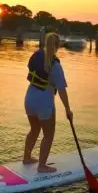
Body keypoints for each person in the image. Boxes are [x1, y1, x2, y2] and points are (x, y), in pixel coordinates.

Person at [23, 31, 73, 172]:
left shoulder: (37, 55)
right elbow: (62, 90)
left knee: (34, 129)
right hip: (44, 101)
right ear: (58, 46)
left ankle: (27, 157)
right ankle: (42, 166)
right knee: (49, 134)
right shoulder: (55, 65)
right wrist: (68, 110)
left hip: (30, 98)